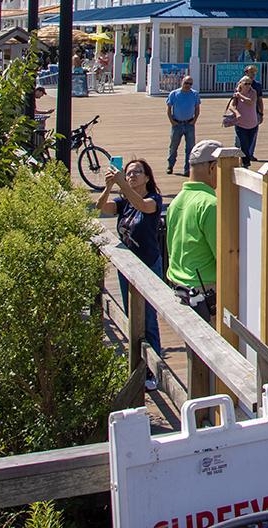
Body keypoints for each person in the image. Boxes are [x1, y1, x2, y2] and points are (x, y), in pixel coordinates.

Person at [97, 157, 164, 388]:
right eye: (128, 173)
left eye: (137, 172)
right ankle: (137, 367)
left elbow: (143, 206)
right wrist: (109, 186)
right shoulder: (124, 201)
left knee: (148, 319)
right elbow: (101, 208)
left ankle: (154, 371)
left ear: (147, 177)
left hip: (148, 266)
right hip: (127, 266)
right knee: (132, 317)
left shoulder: (154, 199)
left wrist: (122, 184)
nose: (132, 176)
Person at [166, 139, 223, 320]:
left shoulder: (176, 201)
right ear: (212, 168)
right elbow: (223, 256)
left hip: (179, 286)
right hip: (204, 290)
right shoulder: (210, 204)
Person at [165, 74, 201, 175]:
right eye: (186, 83)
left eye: (190, 84)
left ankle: (187, 169)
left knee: (190, 148)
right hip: (177, 123)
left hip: (189, 123)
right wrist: (172, 121)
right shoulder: (174, 94)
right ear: (182, 82)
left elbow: (197, 109)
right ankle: (170, 165)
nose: (188, 85)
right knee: (173, 147)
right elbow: (169, 109)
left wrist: (194, 120)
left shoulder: (195, 94)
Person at [226, 73, 262, 166]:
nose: (248, 86)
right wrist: (236, 113)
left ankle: (244, 161)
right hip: (241, 124)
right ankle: (246, 163)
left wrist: (240, 95)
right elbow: (231, 106)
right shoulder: (236, 93)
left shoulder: (253, 92)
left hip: (252, 123)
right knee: (243, 144)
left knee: (249, 145)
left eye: (250, 83)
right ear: (240, 84)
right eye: (246, 84)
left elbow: (251, 102)